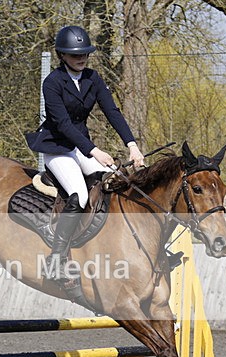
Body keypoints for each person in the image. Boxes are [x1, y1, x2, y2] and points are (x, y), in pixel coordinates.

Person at [25, 25, 144, 280]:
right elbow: (64, 125)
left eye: (84, 54)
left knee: (115, 179)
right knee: (78, 195)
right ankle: (55, 260)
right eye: (74, 54)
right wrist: (95, 151)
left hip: (81, 147)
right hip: (57, 148)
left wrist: (131, 145)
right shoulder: (53, 82)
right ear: (62, 55)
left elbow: (112, 112)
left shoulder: (93, 78)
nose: (81, 58)